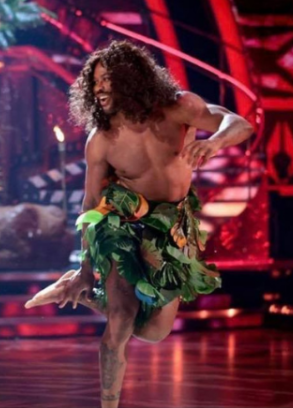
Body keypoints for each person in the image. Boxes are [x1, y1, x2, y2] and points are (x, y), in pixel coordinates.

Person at [25, 41, 254, 407]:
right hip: (122, 222)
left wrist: (215, 143)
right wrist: (85, 268)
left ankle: (79, 294)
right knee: (120, 319)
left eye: (107, 80)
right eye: (94, 82)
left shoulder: (179, 107)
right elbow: (90, 204)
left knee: (154, 331)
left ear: (131, 78)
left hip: (172, 228)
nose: (99, 89)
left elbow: (239, 123)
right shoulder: (101, 140)